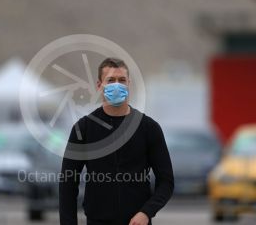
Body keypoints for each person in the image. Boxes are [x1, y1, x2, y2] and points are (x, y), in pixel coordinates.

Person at [59, 58, 174, 225]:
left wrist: (146, 212)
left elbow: (166, 181)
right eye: (110, 80)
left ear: (129, 84)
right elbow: (68, 183)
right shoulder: (83, 129)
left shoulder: (149, 128)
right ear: (99, 85)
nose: (116, 85)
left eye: (122, 80)